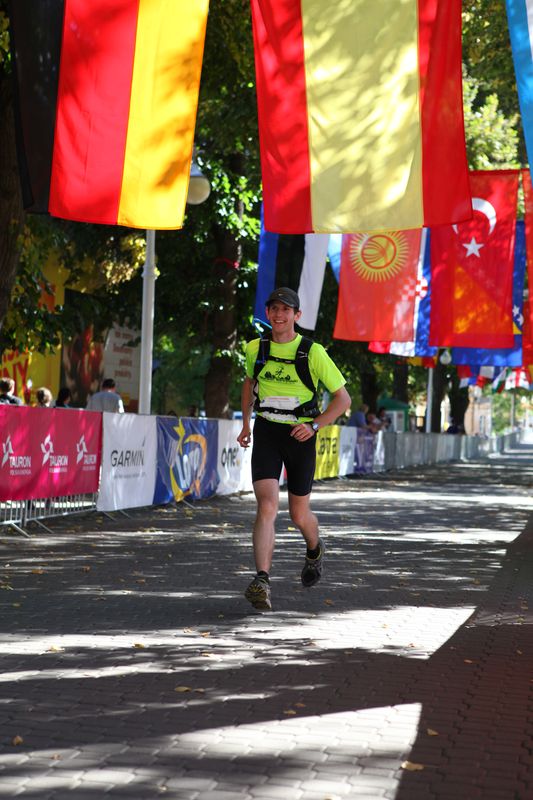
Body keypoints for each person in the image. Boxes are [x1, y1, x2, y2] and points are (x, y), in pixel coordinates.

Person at [237, 287, 351, 611]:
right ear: (267, 313)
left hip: (301, 435)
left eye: (286, 310)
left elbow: (343, 400)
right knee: (267, 506)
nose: (279, 315)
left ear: (297, 316)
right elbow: (249, 384)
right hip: (267, 431)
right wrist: (246, 424)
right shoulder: (255, 348)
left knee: (299, 515)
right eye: (274, 309)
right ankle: (262, 580)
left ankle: (314, 548)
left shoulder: (313, 352)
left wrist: (314, 426)